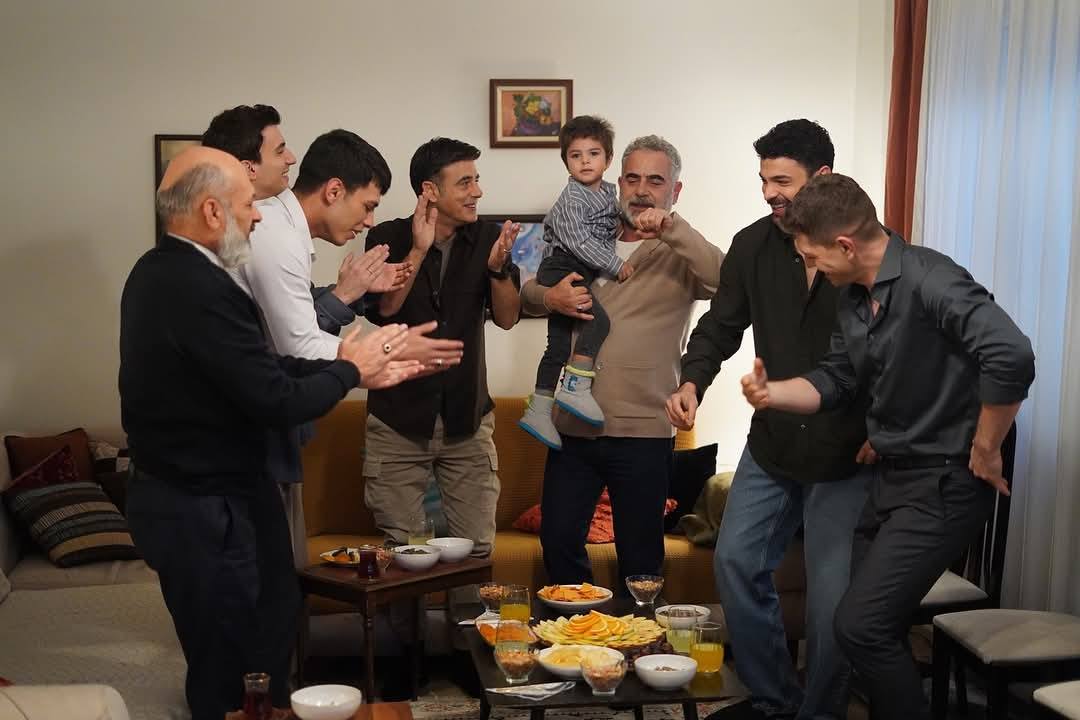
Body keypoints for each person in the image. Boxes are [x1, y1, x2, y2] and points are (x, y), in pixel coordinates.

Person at [119, 146, 420, 720]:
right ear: (212, 211)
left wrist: (349, 366)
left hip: (219, 497)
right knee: (236, 671)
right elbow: (275, 399)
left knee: (270, 632)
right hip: (203, 507)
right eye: (247, 205)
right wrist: (351, 369)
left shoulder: (162, 271)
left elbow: (263, 369)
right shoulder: (193, 286)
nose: (258, 216)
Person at [740, 173, 1035, 720]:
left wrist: (988, 443)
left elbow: (1011, 354)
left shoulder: (932, 279)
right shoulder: (854, 296)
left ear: (845, 245)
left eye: (813, 257)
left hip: (944, 484)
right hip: (892, 481)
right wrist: (772, 393)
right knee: (869, 626)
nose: (812, 269)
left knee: (862, 625)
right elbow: (837, 379)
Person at [669, 120, 872, 720]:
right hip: (774, 445)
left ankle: (820, 711)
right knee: (735, 561)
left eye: (781, 180)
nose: (768, 193)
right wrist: (691, 381)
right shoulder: (753, 245)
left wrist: (886, 432)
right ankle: (773, 698)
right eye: (763, 180)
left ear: (822, 177)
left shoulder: (867, 250)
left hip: (846, 451)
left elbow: (901, 353)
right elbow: (719, 325)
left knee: (831, 602)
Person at [207, 121, 465, 565]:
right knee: (269, 578)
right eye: (367, 206)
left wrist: (352, 294)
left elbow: (292, 314)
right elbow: (300, 348)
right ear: (333, 191)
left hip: (262, 437)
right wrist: (390, 350)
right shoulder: (275, 236)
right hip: (242, 442)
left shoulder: (284, 234)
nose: (369, 221)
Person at [520, 135, 724, 589]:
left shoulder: (680, 251)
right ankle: (580, 630)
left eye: (655, 180)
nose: (642, 190)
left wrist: (672, 227)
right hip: (573, 426)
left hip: (643, 430)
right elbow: (529, 293)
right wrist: (549, 297)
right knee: (558, 542)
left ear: (675, 190)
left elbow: (725, 280)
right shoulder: (590, 235)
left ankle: (640, 635)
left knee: (641, 558)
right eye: (632, 178)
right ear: (619, 183)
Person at [362, 137, 521, 559]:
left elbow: (508, 318)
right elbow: (386, 310)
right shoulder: (386, 237)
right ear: (430, 190)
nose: (477, 192)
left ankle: (466, 608)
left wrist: (498, 270)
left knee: (477, 551)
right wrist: (418, 249)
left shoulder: (488, 238)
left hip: (467, 420)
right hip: (398, 421)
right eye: (465, 182)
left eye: (476, 179)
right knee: (403, 554)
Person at [519, 115, 632, 450]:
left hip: (578, 269)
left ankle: (539, 409)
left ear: (608, 159)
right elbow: (580, 243)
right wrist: (616, 264)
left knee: (557, 346)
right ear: (566, 161)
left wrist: (635, 220)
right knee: (598, 323)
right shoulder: (571, 200)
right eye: (576, 155)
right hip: (562, 269)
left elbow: (619, 217)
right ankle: (575, 387)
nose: (585, 161)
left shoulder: (609, 193)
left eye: (593, 154)